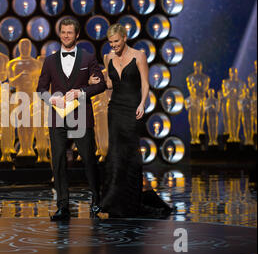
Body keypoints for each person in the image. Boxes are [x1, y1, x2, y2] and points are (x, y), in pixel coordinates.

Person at [89, 23, 172, 218]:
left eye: (116, 41)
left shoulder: (139, 56)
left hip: (133, 109)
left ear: (124, 38)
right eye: (110, 42)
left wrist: (143, 104)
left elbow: (145, 83)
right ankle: (112, 201)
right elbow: (110, 83)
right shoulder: (108, 57)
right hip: (115, 110)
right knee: (115, 154)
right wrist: (97, 81)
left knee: (130, 155)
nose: (113, 46)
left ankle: (131, 200)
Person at [36, 18, 107, 221]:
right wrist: (51, 99)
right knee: (58, 162)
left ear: (77, 35)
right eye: (63, 32)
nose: (66, 35)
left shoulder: (88, 58)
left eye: (70, 32)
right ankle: (62, 206)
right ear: (60, 34)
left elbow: (100, 84)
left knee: (89, 160)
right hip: (57, 119)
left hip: (81, 116)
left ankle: (95, 202)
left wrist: (81, 91)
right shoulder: (49, 61)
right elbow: (40, 89)